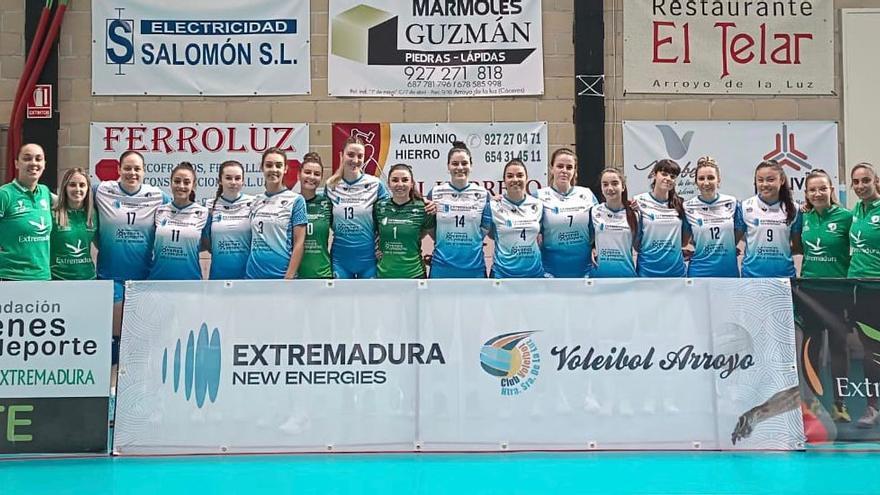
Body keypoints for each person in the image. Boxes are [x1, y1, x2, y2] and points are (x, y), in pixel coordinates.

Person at [796, 169, 853, 423]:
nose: (818, 193)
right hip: (810, 293)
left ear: (831, 190)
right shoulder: (804, 218)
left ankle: (839, 404)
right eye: (812, 190)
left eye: (822, 188)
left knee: (840, 347)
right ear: (806, 193)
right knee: (813, 348)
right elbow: (797, 246)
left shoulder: (847, 217)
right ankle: (814, 403)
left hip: (838, 292)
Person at [94, 150, 169, 334]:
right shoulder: (101, 190)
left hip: (143, 278)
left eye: (137, 169)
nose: (132, 173)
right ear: (119, 169)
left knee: (140, 334)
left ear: (144, 171)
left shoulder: (157, 196)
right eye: (127, 168)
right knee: (115, 334)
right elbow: (72, 197)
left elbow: (180, 211)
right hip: (110, 277)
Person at [325, 137, 389, 279]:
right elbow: (325, 220)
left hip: (369, 260)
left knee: (370, 301)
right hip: (340, 260)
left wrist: (383, 246)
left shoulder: (375, 184)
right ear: (341, 155)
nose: (355, 160)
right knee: (340, 301)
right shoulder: (331, 186)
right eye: (351, 155)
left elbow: (389, 217)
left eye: (360, 156)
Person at [426, 141, 492, 278]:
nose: (460, 167)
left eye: (464, 163)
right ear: (448, 167)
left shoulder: (483, 194)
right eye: (455, 163)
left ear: (471, 166)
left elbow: (484, 229)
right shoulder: (435, 193)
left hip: (474, 268)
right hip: (441, 268)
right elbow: (431, 228)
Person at [848, 162, 880, 428]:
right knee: (870, 353)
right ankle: (871, 407)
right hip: (860, 293)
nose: (860, 186)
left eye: (865, 181)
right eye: (856, 182)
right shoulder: (856, 210)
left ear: (875, 181)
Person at [245, 147, 307, 279]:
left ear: (285, 169)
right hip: (253, 276)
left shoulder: (296, 200)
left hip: (282, 275)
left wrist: (288, 277)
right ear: (262, 168)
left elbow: (299, 243)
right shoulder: (255, 201)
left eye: (278, 165)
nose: (273, 169)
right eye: (269, 165)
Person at [536, 148, 598, 278]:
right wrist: (499, 200)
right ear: (551, 168)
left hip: (584, 272)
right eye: (559, 166)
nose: (564, 170)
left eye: (569, 167)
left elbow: (600, 226)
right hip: (550, 272)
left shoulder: (586, 194)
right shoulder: (539, 196)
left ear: (574, 171)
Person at [683, 156, 744, 277]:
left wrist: (728, 246)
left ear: (718, 180)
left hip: (728, 271)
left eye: (711, 178)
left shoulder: (732, 202)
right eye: (701, 178)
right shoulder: (687, 207)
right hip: (699, 271)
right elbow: (684, 241)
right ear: (696, 182)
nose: (706, 183)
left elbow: (740, 230)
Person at [0, 143, 53, 281]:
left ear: (44, 164)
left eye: (38, 158)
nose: (33, 163)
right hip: (11, 277)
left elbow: (70, 201)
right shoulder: (5, 194)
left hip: (43, 277)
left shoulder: (45, 192)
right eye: (27, 158)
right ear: (17, 163)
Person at [741, 160, 802, 278]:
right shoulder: (745, 206)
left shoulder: (794, 209)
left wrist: (778, 250)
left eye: (770, 180)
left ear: (782, 180)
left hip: (784, 277)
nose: (764, 184)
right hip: (751, 276)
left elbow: (797, 247)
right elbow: (733, 240)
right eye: (760, 180)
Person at [149, 162, 209, 280]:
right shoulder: (159, 211)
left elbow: (207, 246)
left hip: (190, 282)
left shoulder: (203, 213)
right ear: (170, 183)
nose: (181, 186)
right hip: (158, 280)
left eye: (186, 182)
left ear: (194, 186)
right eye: (177, 181)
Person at [374, 164, 435, 278]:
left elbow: (437, 239)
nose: (400, 184)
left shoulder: (424, 208)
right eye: (395, 180)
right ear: (388, 183)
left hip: (414, 274)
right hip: (384, 274)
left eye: (405, 180)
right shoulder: (379, 207)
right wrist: (374, 250)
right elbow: (367, 232)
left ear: (412, 184)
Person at [487, 159, 543, 278]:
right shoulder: (493, 206)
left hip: (533, 274)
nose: (515, 179)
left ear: (526, 178)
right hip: (502, 274)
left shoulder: (538, 204)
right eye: (510, 176)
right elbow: (490, 234)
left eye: (520, 175)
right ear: (504, 180)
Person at [633, 159, 687, 277]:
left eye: (672, 176)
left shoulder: (681, 204)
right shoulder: (638, 201)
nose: (668, 178)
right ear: (654, 174)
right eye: (664, 174)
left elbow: (684, 241)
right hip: (647, 271)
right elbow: (635, 241)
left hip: (676, 272)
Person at [205, 160, 253, 280]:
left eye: (237, 178)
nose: (233, 182)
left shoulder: (253, 203)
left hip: (247, 276)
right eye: (228, 178)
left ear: (243, 181)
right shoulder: (210, 206)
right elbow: (206, 241)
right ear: (220, 181)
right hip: (218, 276)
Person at [51, 167, 98, 280]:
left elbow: (100, 244)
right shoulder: (52, 214)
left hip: (88, 279)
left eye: (82, 185)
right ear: (65, 188)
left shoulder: (93, 215)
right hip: (58, 279)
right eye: (72, 185)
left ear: (88, 189)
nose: (77, 189)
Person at [589, 168, 638, 278]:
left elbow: (640, 246)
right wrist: (592, 248)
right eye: (605, 184)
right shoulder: (594, 211)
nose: (610, 188)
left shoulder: (634, 213)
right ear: (601, 188)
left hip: (627, 275)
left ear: (623, 187)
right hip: (600, 276)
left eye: (615, 183)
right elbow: (589, 239)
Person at [298, 152, 333, 279]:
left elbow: (345, 233)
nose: (312, 177)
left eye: (317, 174)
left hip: (322, 274)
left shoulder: (327, 203)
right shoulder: (290, 203)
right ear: (299, 174)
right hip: (294, 275)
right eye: (307, 172)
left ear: (321, 178)